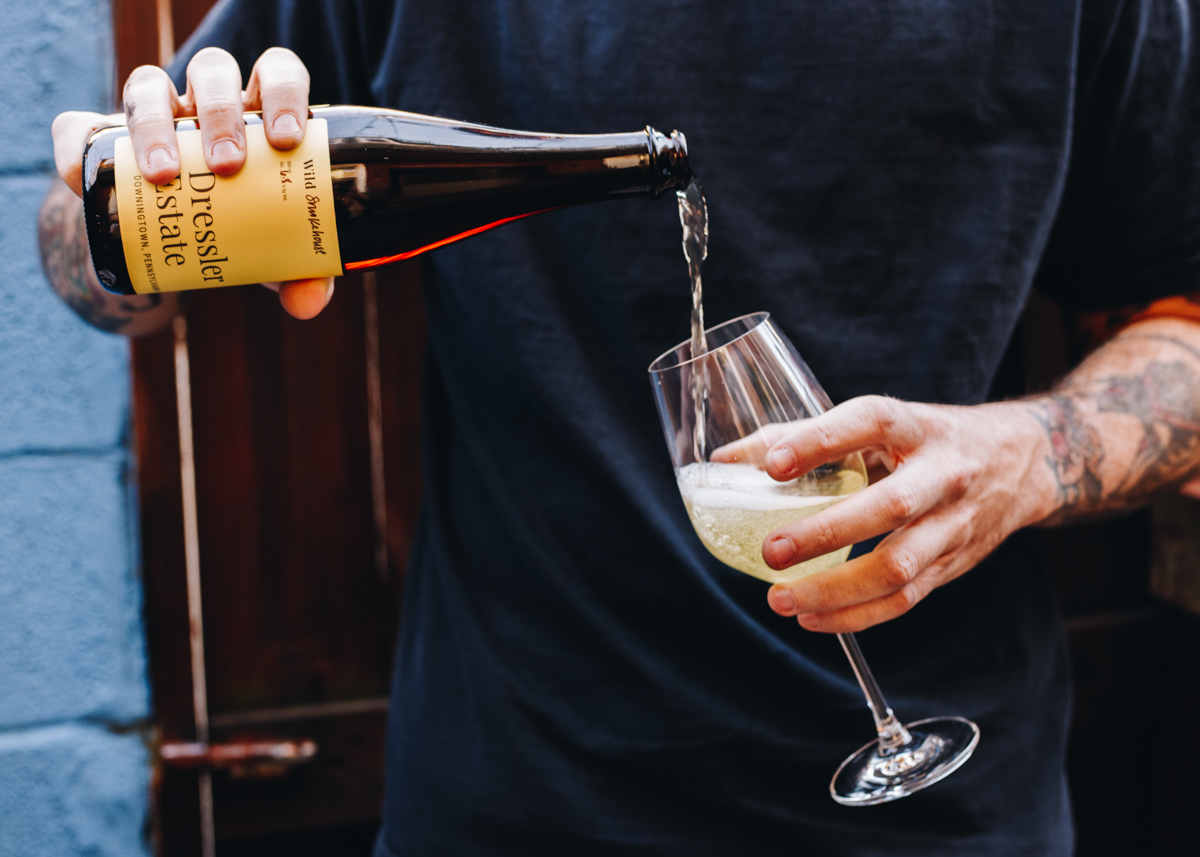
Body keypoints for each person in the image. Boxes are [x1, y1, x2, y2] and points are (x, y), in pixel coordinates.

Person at [43, 1, 1200, 854]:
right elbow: (78, 246)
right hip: (516, 804)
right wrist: (134, 214)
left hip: (949, 815)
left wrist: (1033, 455)